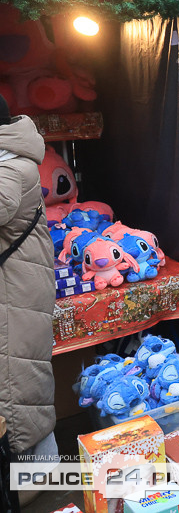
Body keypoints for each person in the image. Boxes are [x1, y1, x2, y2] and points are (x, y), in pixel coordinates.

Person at [0, 95, 57, 474]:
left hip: (16, 290)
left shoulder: (11, 168)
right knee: (19, 376)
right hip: (18, 285)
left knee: (16, 381)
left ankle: (36, 476)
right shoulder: (13, 161)